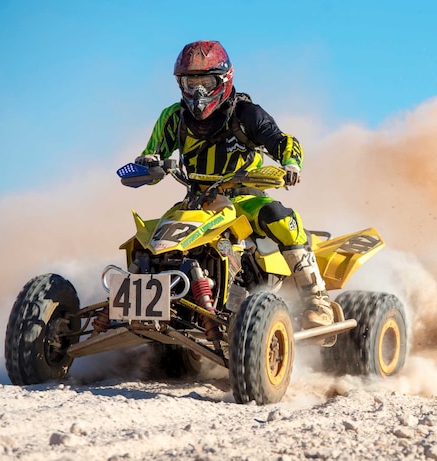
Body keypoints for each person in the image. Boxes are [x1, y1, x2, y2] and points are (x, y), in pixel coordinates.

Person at [134, 40, 333, 329]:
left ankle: (316, 299)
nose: (198, 91)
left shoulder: (246, 114)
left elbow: (281, 141)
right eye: (192, 81)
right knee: (149, 241)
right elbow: (153, 153)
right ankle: (139, 300)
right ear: (181, 83)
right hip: (198, 200)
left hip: (244, 197)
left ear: (224, 79)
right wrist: (147, 164)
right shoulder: (172, 118)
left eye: (206, 81)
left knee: (280, 217)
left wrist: (290, 164)